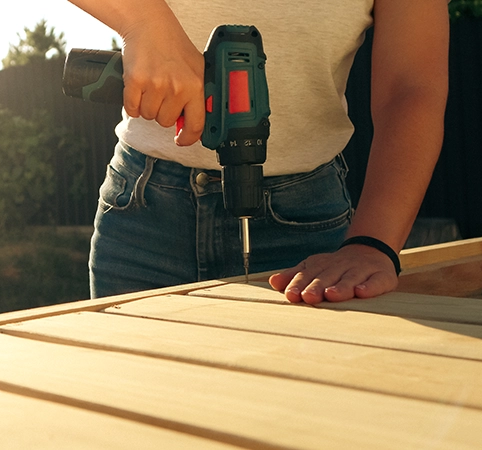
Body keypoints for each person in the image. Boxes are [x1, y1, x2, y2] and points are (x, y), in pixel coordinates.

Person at [69, 0, 449, 304]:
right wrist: (147, 23)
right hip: (144, 219)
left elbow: (411, 87)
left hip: (306, 236)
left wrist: (372, 244)